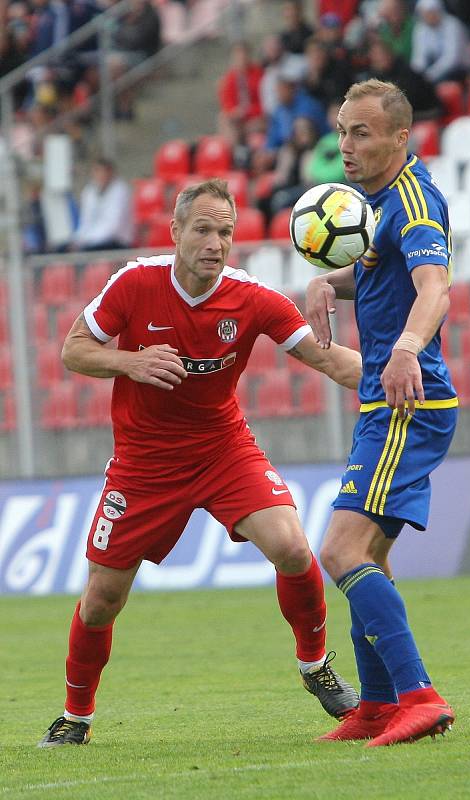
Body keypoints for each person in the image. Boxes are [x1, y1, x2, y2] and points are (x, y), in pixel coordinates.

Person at [38, 178, 362, 747]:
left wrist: (401, 365)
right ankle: (76, 716)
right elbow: (72, 350)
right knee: (101, 601)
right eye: (204, 229)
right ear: (176, 231)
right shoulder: (134, 282)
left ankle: (314, 665)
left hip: (222, 449)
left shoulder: (252, 297)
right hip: (144, 464)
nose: (216, 243)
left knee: (291, 546)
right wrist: (128, 361)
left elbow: (330, 361)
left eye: (227, 232)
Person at [305, 79, 458, 746]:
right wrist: (324, 280)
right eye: (341, 130)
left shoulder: (417, 203)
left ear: (401, 137)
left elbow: (436, 286)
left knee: (339, 549)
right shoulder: (372, 204)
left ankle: (419, 696)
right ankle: (373, 705)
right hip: (386, 401)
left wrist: (403, 347)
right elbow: (374, 266)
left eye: (361, 132)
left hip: (406, 400)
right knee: (368, 556)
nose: (345, 145)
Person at [70, 158, 134, 251]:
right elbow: (86, 221)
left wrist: (88, 240)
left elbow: (113, 227)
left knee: (85, 252)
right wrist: (78, 240)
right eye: (96, 171)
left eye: (102, 172)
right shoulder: (89, 191)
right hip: (93, 240)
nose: (99, 175)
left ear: (110, 173)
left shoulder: (121, 191)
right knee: (61, 250)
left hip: (117, 242)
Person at [410, 0, 470, 84]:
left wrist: (429, 75)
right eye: (425, 13)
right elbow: (419, 58)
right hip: (433, 69)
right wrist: (415, 75)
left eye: (431, 12)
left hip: (459, 69)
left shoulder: (453, 25)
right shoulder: (420, 28)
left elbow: (451, 59)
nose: (429, 16)